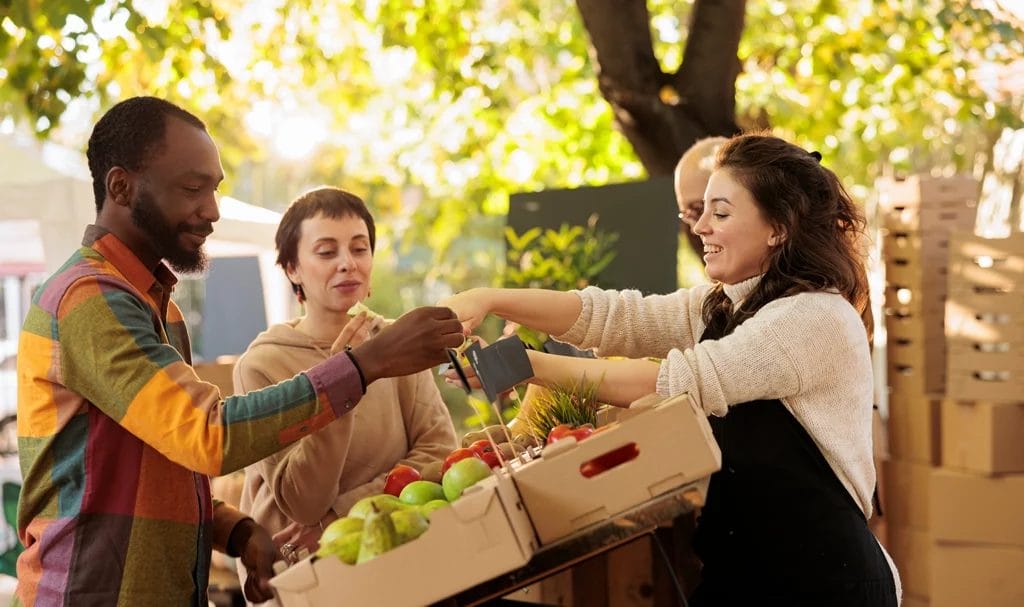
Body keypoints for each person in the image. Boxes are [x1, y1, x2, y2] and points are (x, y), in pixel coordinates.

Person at [14, 96, 463, 607]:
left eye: (215, 189)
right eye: (192, 189)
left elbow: (165, 463)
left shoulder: (158, 307)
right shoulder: (87, 299)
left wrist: (238, 532)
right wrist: (364, 367)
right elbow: (207, 434)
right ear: (121, 186)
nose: (212, 211)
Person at [441, 133, 901, 606]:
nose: (700, 226)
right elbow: (613, 317)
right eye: (700, 212)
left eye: (720, 213)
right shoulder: (723, 305)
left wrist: (522, 365)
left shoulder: (812, 318)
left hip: (824, 584)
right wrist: (488, 297)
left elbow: (674, 381)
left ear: (778, 227)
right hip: (745, 574)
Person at [233, 187, 458, 588]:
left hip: (400, 557)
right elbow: (304, 504)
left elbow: (440, 450)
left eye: (359, 248)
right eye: (325, 252)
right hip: (306, 575)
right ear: (292, 269)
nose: (347, 264)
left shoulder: (396, 342)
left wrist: (344, 514)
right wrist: (344, 377)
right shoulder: (261, 365)